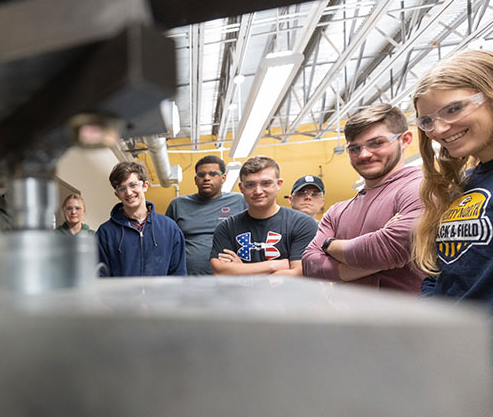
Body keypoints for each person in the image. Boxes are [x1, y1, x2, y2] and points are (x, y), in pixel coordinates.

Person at [301, 104, 424, 291]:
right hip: (344, 318)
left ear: (405, 139)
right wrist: (377, 254)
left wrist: (330, 245)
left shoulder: (420, 189)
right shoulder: (337, 211)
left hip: (403, 319)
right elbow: (310, 265)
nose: (364, 154)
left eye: (376, 143)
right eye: (355, 148)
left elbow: (389, 250)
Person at [413, 49, 493, 307]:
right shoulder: (464, 183)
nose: (438, 129)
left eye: (454, 109)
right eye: (427, 120)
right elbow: (441, 272)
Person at [210, 156, 317, 276]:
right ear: (241, 188)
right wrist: (275, 265)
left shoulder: (302, 224)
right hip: (242, 295)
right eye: (250, 185)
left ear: (278, 184)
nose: (258, 191)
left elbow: (300, 272)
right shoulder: (227, 227)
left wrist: (241, 269)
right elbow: (220, 271)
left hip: (286, 295)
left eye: (266, 183)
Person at [96, 162, 187, 276]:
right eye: (122, 188)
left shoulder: (169, 228)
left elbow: (178, 275)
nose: (128, 193)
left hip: (161, 294)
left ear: (145, 186)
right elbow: (100, 277)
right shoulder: (105, 232)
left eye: (133, 185)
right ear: (117, 194)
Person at [165, 155, 247, 274]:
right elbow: (166, 242)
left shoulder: (239, 201)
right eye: (201, 175)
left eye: (213, 174)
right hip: (187, 279)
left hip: (228, 278)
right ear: (195, 179)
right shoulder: (178, 204)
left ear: (223, 178)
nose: (206, 178)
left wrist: (245, 265)